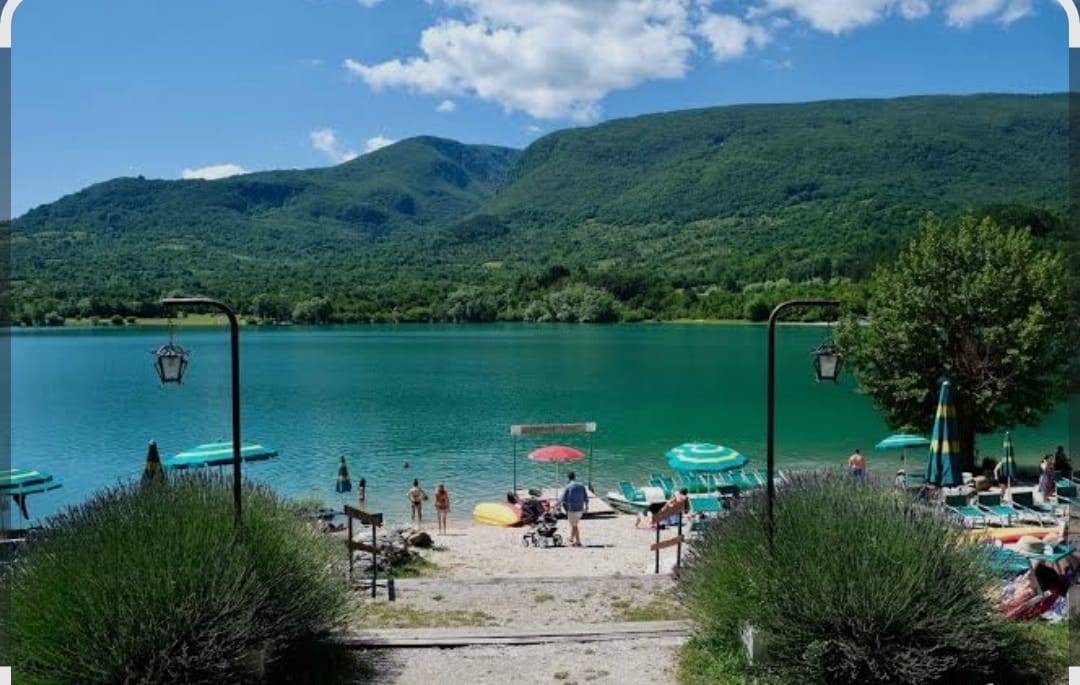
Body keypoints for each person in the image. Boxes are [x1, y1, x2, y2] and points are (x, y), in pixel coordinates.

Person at [559, 471, 589, 547]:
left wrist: (563, 509)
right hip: (580, 509)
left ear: (568, 478)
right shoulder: (581, 486)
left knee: (574, 526)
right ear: (575, 477)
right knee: (574, 525)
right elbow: (586, 497)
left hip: (572, 510)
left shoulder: (568, 487)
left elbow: (563, 499)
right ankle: (571, 539)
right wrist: (586, 506)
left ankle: (578, 541)